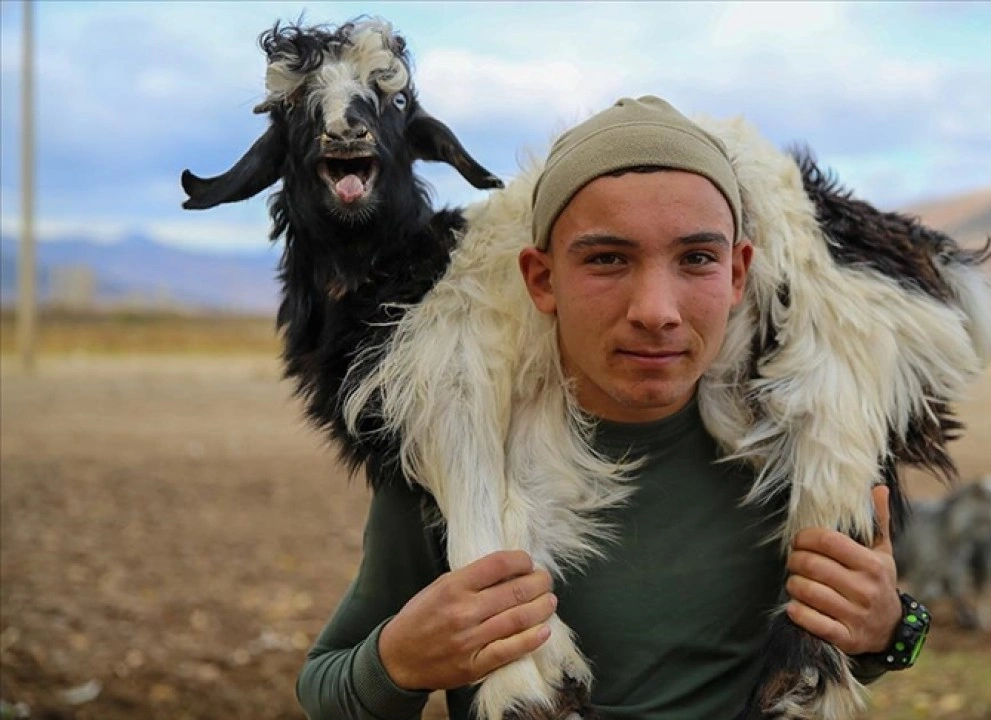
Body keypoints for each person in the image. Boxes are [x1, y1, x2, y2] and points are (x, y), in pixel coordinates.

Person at [297, 96, 924, 720]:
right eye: (608, 259)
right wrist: (398, 664)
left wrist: (890, 628)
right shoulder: (460, 464)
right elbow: (326, 685)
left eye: (696, 259)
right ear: (542, 279)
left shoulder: (806, 450)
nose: (656, 310)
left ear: (738, 274)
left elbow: (853, 643)